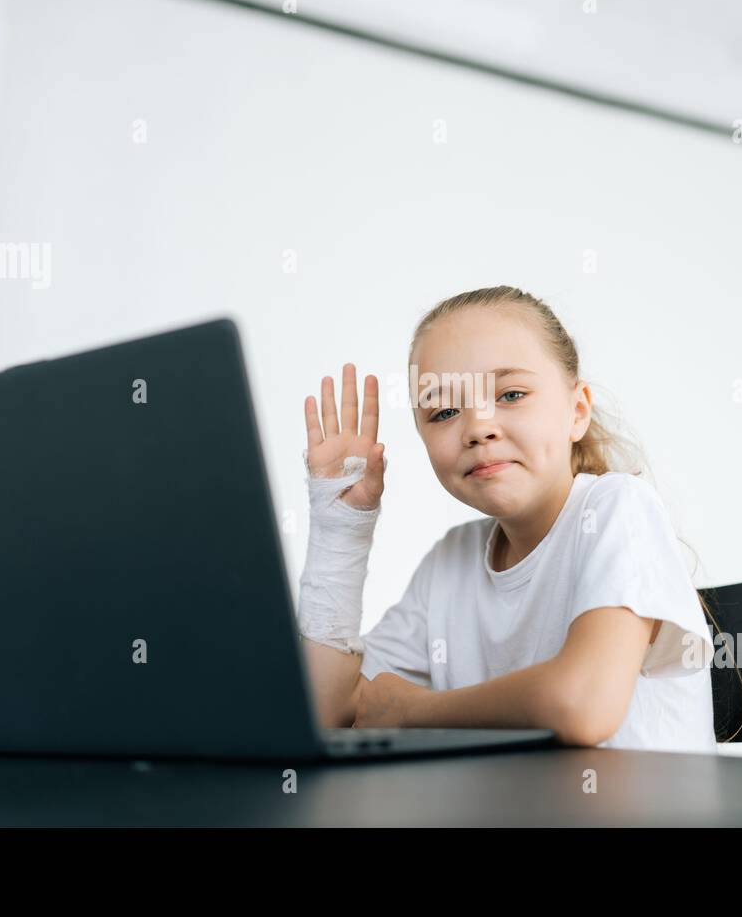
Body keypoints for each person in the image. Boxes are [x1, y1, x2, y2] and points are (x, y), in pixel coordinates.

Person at [297, 285, 718, 752]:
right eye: (445, 411)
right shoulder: (450, 563)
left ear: (577, 412)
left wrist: (412, 713)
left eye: (511, 393)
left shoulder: (620, 508)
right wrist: (341, 530)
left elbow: (584, 705)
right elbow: (327, 711)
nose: (478, 427)